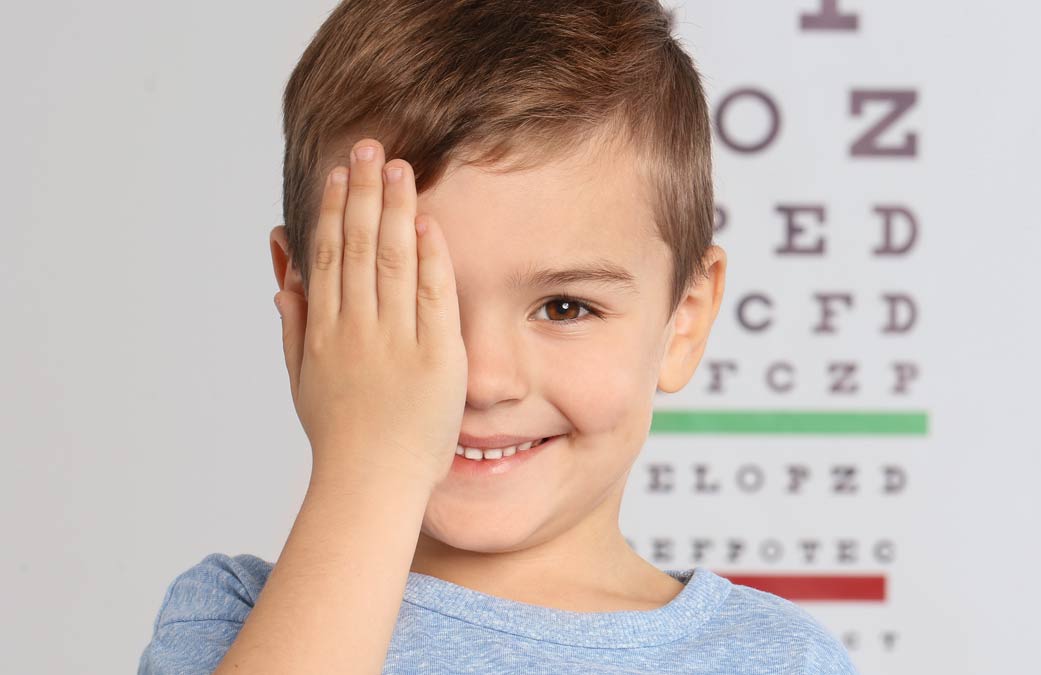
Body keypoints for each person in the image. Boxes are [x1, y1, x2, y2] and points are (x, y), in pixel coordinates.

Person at [138, 1, 860, 673]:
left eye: (566, 307)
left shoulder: (780, 658)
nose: (481, 380)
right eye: (413, 302)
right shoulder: (234, 617)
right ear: (303, 297)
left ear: (686, 318)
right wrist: (374, 462)